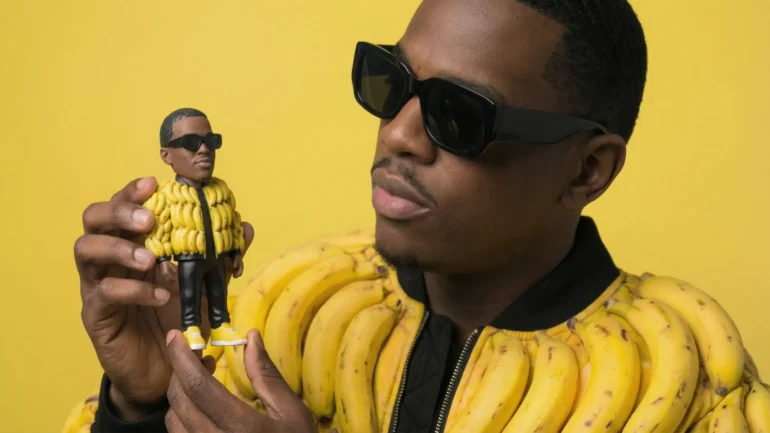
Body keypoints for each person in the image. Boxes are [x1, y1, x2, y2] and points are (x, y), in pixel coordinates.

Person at [64, 0, 762, 432]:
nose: (397, 133)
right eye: (389, 82)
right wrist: (140, 408)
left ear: (588, 168)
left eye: (457, 115)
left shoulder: (684, 385)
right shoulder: (291, 312)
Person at [142, 107, 248, 350]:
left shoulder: (222, 191)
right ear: (166, 155)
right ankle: (190, 328)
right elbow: (159, 228)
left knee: (218, 292)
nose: (204, 150)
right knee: (189, 296)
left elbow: (231, 223)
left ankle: (220, 325)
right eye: (191, 142)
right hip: (188, 257)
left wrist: (235, 253)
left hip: (218, 256)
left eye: (211, 141)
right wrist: (162, 258)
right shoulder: (166, 196)